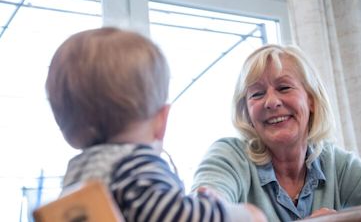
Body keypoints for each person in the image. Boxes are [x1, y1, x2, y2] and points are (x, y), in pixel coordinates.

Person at [46, 27, 267, 222]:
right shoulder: (134, 167)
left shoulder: (78, 175)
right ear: (161, 119)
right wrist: (244, 215)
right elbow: (175, 216)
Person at [191, 44, 361, 221]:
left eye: (284, 88)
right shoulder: (231, 155)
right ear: (246, 110)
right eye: (257, 93)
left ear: (310, 100)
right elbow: (204, 211)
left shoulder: (333, 162)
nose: (271, 102)